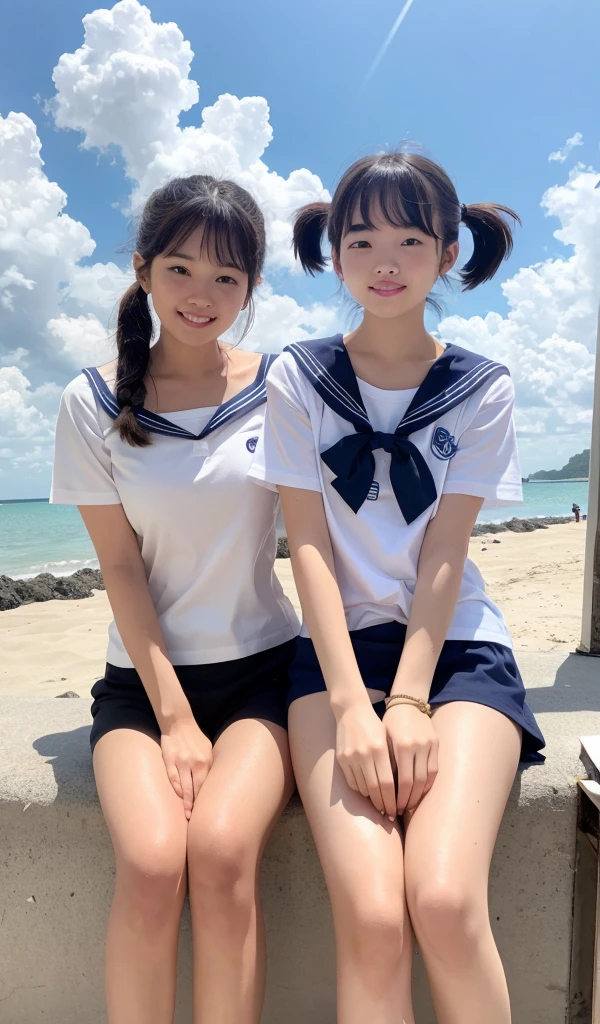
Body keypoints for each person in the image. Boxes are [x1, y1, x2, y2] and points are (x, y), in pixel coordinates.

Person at [249, 151, 545, 1024]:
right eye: (363, 238)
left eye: (411, 239)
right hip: (332, 655)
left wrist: (408, 699)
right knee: (375, 917)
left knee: (446, 902)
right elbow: (305, 546)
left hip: (456, 651)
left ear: (449, 253)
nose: (386, 262)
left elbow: (447, 550)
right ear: (333, 253)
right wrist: (351, 704)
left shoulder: (480, 387)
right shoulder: (298, 378)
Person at [50, 175, 299, 1024]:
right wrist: (176, 719)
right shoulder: (91, 401)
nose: (203, 294)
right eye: (182, 268)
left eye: (227, 277)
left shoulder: (283, 387)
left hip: (267, 674)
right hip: (143, 688)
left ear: (252, 288)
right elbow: (119, 567)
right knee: (155, 864)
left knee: (223, 854)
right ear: (144, 268)